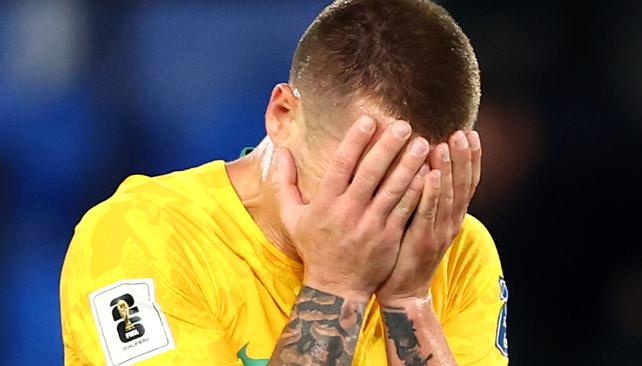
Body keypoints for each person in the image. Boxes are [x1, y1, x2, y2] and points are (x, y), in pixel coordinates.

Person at [60, 0, 508, 365]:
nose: (380, 222)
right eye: (358, 180)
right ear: (282, 116)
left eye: (410, 192)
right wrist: (337, 285)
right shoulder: (141, 237)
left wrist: (411, 301)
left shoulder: (455, 252)